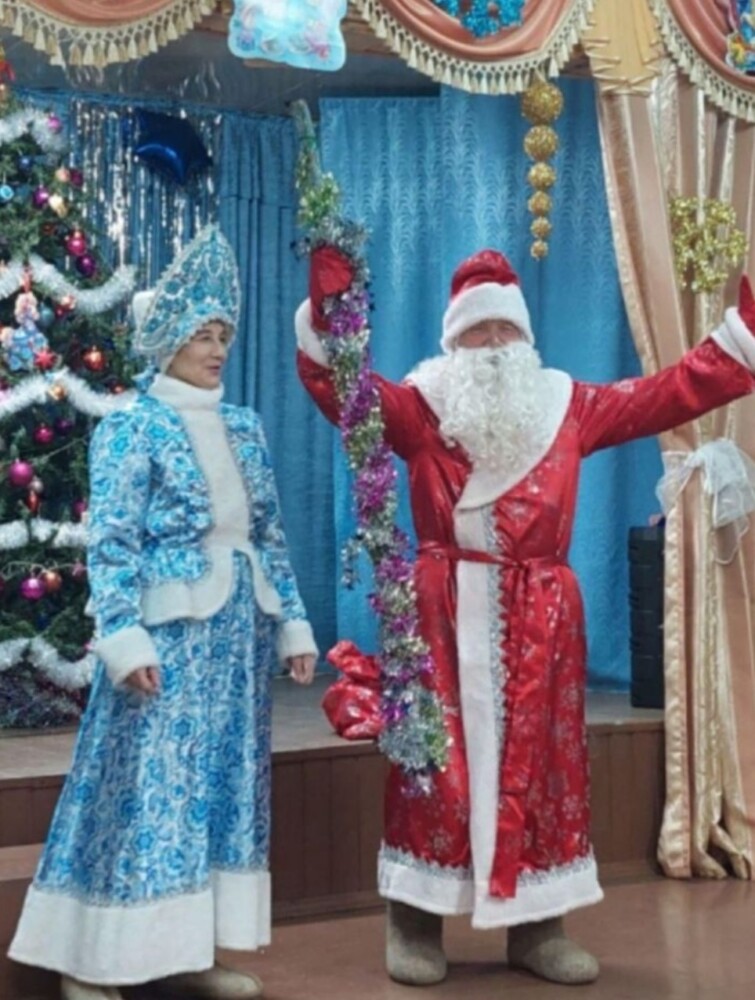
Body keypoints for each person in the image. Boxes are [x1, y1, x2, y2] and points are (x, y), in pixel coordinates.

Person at [295, 247, 755, 987]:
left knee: (544, 767)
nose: (491, 346)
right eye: (476, 333)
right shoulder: (422, 407)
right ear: (453, 340)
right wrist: (329, 319)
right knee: (432, 764)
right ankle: (414, 919)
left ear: (525, 337)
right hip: (442, 611)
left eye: (503, 331)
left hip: (541, 614)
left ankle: (539, 924)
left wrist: (738, 339)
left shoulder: (567, 404)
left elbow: (664, 394)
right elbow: (343, 391)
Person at [9, 225, 318, 1000]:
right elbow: (110, 543)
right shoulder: (131, 425)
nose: (216, 349)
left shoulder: (243, 426)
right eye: (201, 335)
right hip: (166, 636)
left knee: (214, 789)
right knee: (144, 788)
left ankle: (185, 951)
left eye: (223, 336)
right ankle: (91, 960)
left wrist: (291, 622)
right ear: (168, 339)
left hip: (235, 638)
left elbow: (268, 534)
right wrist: (122, 636)